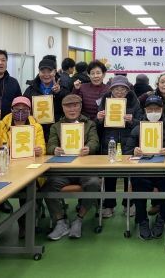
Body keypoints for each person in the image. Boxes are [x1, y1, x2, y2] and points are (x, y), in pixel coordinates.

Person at [42, 94, 101, 240]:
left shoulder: (89, 124)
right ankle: (60, 221)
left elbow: (94, 141)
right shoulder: (56, 126)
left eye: (75, 105)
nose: (72, 109)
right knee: (47, 187)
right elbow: (50, 145)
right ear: (63, 108)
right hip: (64, 170)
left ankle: (79, 219)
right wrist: (55, 149)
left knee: (94, 183)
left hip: (84, 169)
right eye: (68, 106)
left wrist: (89, 148)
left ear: (80, 107)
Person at [124, 95, 165, 240]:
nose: (153, 112)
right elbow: (126, 152)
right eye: (150, 109)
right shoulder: (138, 129)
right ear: (145, 110)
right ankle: (142, 220)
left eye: (157, 109)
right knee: (138, 187)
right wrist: (134, 151)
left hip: (164, 173)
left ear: (162, 110)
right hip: (142, 172)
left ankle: (162, 218)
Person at [0, 95, 45, 235]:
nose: (20, 111)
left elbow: (42, 146)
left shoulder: (36, 126)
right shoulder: (1, 124)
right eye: (17, 109)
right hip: (6, 169)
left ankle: (26, 225)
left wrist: (40, 150)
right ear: (11, 109)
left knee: (30, 189)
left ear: (29, 111)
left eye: (24, 109)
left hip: (29, 169)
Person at [96, 75, 144, 218]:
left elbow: (141, 122)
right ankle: (109, 205)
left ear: (128, 90)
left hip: (128, 141)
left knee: (129, 174)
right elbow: (97, 124)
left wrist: (132, 120)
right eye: (116, 89)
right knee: (110, 175)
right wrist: (99, 118)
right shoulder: (105, 100)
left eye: (123, 89)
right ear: (111, 89)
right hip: (109, 141)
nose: (119, 92)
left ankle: (128, 204)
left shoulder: (134, 101)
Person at [23, 58, 69, 142]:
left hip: (56, 130)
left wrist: (59, 92)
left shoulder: (63, 86)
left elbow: (69, 104)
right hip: (36, 130)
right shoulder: (31, 89)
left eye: (49, 71)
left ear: (55, 72)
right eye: (43, 72)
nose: (46, 74)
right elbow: (24, 105)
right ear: (39, 72)